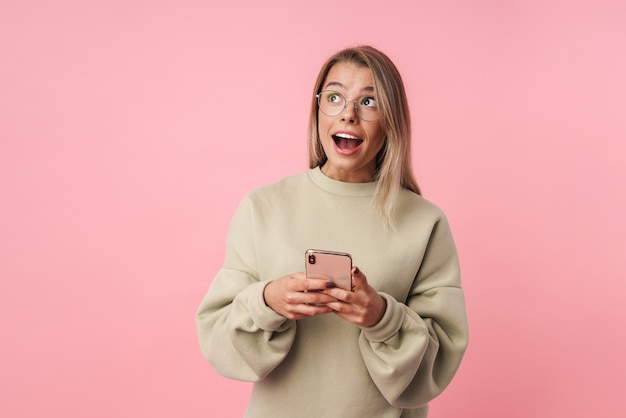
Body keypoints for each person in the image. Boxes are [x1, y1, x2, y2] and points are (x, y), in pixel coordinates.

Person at [196, 45, 469, 418]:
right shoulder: (263, 207)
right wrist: (269, 302)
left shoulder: (425, 222)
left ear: (391, 119)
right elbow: (216, 338)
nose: (349, 114)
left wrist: (381, 316)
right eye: (335, 97)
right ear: (318, 108)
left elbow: (439, 362)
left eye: (368, 102)